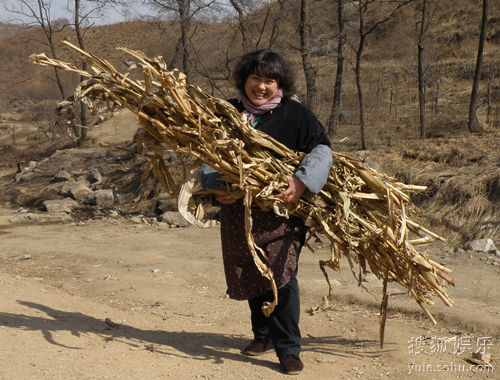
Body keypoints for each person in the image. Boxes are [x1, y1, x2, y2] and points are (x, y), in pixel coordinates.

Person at [198, 50, 332, 375]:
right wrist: (217, 187)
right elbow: (206, 154)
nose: (261, 86)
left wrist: (301, 182)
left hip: (281, 211)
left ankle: (288, 348)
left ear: (279, 84)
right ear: (244, 80)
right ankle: (263, 335)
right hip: (239, 212)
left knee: (281, 276)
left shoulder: (295, 114)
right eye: (255, 78)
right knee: (250, 270)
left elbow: (322, 149)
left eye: (268, 80)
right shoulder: (227, 113)